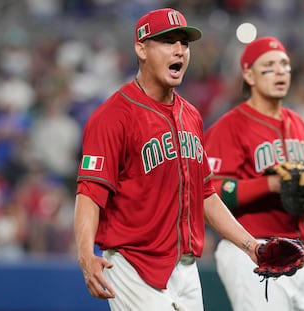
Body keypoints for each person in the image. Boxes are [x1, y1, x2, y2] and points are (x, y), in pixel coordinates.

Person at [73, 8, 262, 311]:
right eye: (167, 41)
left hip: (185, 269)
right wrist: (85, 255)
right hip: (133, 266)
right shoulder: (113, 116)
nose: (179, 50)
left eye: (184, 43)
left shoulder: (192, 116)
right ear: (141, 48)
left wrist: (252, 246)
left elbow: (206, 195)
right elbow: (90, 193)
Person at [204, 36, 304, 311]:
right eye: (269, 66)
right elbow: (211, 193)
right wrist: (269, 184)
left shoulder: (297, 123)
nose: (280, 71)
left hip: (296, 250)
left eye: (284, 65)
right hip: (251, 250)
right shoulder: (230, 126)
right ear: (248, 74)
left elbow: (298, 188)